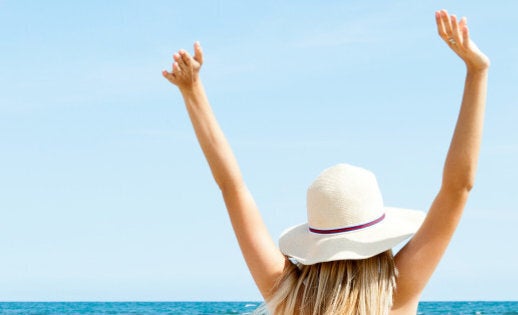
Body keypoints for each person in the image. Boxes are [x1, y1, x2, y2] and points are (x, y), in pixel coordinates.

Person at [162, 9, 489, 315]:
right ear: (379, 236)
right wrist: (477, 72)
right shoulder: (397, 293)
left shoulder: (287, 295)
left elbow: (232, 188)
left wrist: (193, 92)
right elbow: (458, 187)